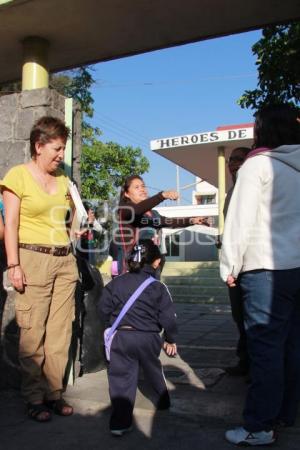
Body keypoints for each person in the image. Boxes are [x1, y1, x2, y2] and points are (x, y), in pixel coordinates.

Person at [220, 104, 300, 446]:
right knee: (291, 347)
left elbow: (239, 221)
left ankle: (259, 425)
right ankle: (284, 413)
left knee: (265, 351)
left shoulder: (257, 165)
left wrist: (229, 266)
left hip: (264, 270)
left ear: (263, 129)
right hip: (296, 271)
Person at [1, 116, 79, 422]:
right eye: (57, 148)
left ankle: (54, 393)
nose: (61, 155)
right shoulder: (17, 175)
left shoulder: (64, 182)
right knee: (33, 332)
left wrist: (78, 226)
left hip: (64, 260)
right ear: (39, 146)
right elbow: (10, 223)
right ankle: (33, 398)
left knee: (60, 332)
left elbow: (73, 219)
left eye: (63, 149)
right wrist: (13, 264)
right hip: (31, 258)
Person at [99, 239, 177, 436]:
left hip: (121, 337)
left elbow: (102, 309)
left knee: (121, 378)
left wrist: (110, 326)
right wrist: (170, 338)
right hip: (149, 338)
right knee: (153, 368)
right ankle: (162, 400)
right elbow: (168, 317)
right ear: (157, 262)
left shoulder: (116, 283)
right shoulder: (159, 287)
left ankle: (119, 424)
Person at [114, 175, 210, 275]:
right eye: (136, 187)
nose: (142, 190)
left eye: (143, 186)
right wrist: (162, 195)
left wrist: (192, 220)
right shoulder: (125, 210)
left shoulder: (152, 214)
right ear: (126, 194)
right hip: (132, 269)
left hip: (153, 268)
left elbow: (170, 222)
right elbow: (137, 210)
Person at [223, 147, 251, 377]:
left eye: (240, 159)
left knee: (253, 318)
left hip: (252, 264)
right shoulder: (231, 193)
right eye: (232, 160)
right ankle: (245, 361)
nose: (234, 164)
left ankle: (255, 366)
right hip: (235, 266)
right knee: (239, 316)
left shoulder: (252, 188)